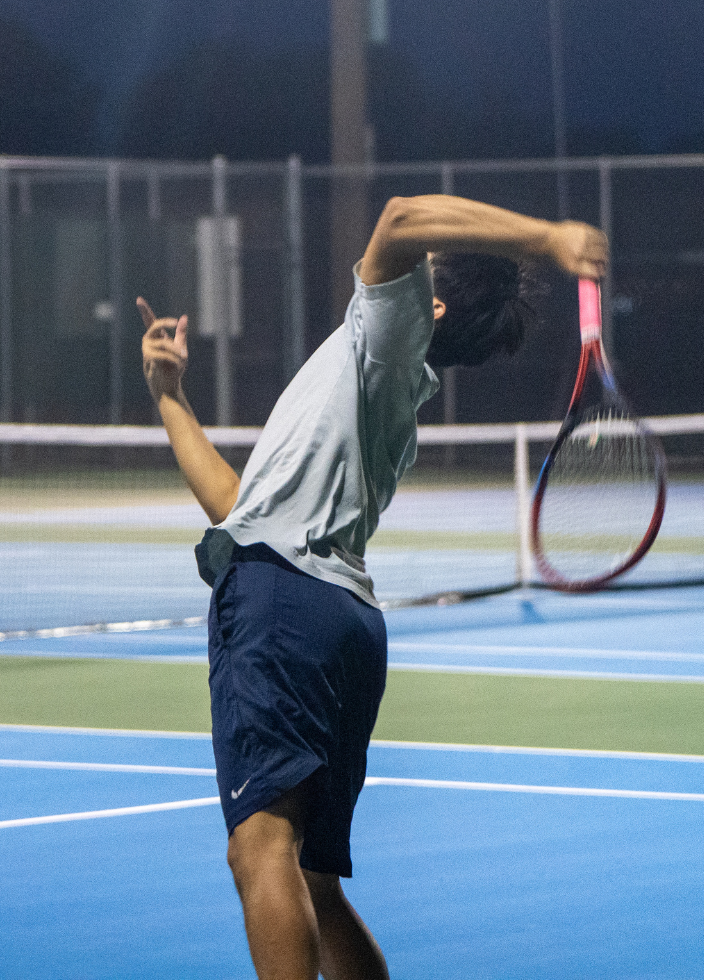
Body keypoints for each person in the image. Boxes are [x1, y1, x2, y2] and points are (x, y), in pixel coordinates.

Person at [140, 194, 608, 980]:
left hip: (282, 605)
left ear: (427, 305)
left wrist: (547, 237)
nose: (400, 262)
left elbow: (399, 217)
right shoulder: (372, 391)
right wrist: (168, 396)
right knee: (313, 884)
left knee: (260, 849)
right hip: (342, 619)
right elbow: (236, 505)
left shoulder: (388, 335)